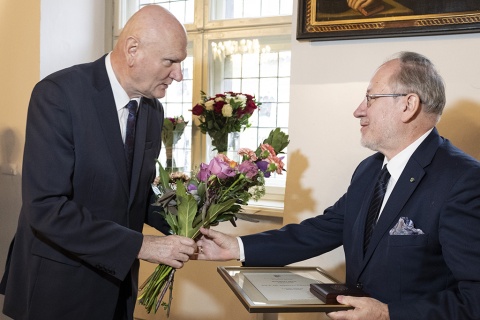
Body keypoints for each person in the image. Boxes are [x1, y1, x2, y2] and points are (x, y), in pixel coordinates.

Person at [195, 51, 480, 320]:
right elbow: (322, 230)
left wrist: (387, 313)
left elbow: (475, 298)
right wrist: (238, 247)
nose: (358, 111)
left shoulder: (464, 180)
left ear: (408, 105)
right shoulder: (370, 170)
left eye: (370, 98)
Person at [0, 5, 197, 320]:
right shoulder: (58, 95)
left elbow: (135, 194)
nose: (178, 74)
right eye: (171, 61)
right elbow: (46, 208)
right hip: (58, 285)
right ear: (133, 50)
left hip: (117, 286)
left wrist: (191, 219)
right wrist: (142, 246)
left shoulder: (152, 110)